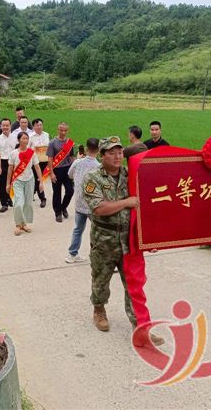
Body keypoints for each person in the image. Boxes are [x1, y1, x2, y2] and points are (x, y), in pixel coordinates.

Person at [82, 136, 164, 347]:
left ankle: (140, 328)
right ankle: (99, 309)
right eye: (112, 153)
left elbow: (148, 204)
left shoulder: (130, 174)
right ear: (102, 156)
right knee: (101, 280)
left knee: (133, 286)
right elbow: (99, 208)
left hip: (129, 240)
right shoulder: (93, 178)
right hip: (104, 240)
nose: (117, 156)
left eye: (119, 152)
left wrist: (150, 238)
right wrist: (127, 202)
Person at [65, 138, 100, 263]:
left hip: (79, 202)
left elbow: (70, 175)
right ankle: (98, 256)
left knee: (78, 229)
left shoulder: (77, 162)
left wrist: (78, 160)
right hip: (92, 204)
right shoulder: (99, 167)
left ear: (86, 148)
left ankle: (72, 254)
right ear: (99, 150)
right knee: (98, 231)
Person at [7, 132, 44, 236]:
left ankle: (24, 224)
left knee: (28, 203)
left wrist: (41, 182)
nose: (25, 140)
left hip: (29, 180)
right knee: (18, 203)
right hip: (17, 180)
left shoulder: (32, 153)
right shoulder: (13, 153)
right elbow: (10, 169)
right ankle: (18, 224)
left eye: (27, 138)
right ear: (19, 140)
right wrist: (8, 184)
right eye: (23, 138)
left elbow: (37, 167)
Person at [47, 122, 75, 223]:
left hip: (67, 169)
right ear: (58, 130)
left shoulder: (69, 142)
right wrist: (51, 173)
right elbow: (50, 158)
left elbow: (71, 157)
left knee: (70, 191)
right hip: (57, 169)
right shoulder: (52, 143)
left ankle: (63, 207)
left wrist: (74, 169)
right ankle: (58, 212)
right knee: (57, 192)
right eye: (61, 130)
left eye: (65, 130)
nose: (63, 132)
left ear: (67, 130)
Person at [0, 118, 17, 212]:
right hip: (3, 162)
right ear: (1, 127)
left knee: (13, 182)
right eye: (3, 125)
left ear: (10, 126)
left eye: (7, 125)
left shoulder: (15, 138)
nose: (5, 127)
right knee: (3, 183)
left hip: (14, 162)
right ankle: (4, 203)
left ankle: (10, 199)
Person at [29, 118, 50, 208]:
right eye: (37, 125)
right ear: (33, 127)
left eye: (40, 125)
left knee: (41, 179)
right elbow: (28, 149)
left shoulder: (46, 134)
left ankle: (33, 191)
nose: (39, 127)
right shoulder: (30, 136)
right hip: (35, 162)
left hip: (45, 161)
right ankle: (43, 198)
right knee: (38, 180)